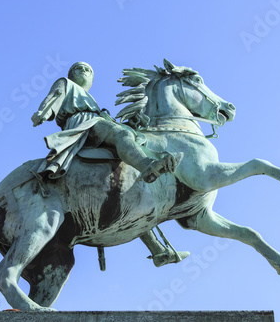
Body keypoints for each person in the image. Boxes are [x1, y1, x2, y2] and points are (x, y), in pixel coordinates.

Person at [31, 62, 188, 267]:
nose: (85, 71)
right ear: (70, 74)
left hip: (96, 123)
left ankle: (158, 250)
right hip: (83, 124)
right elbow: (53, 97)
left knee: (127, 161)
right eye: (79, 68)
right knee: (122, 135)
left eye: (89, 70)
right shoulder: (66, 84)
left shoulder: (92, 100)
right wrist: (42, 113)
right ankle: (148, 166)